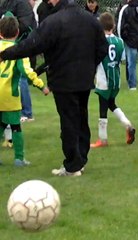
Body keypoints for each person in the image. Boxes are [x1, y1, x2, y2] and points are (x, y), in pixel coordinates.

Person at [0, 0, 108, 176]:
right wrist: (89, 65)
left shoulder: (54, 21)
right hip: (84, 78)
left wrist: (5, 54)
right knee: (81, 118)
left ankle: (72, 165)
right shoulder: (90, 19)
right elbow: (102, 47)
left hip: (63, 79)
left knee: (69, 121)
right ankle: (80, 160)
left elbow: (32, 44)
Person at [0, 16, 49, 166]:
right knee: (15, 127)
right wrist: (42, 85)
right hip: (10, 95)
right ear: (17, 32)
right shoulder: (19, 51)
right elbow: (27, 71)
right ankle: (19, 159)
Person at [90, 12, 136, 148]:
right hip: (115, 78)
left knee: (103, 109)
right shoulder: (120, 41)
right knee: (111, 104)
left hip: (103, 79)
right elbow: (122, 60)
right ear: (114, 25)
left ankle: (102, 139)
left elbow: (95, 59)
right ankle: (127, 124)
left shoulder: (98, 41)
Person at [0, 0, 37, 123]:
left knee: (21, 76)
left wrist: (10, 29)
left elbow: (27, 25)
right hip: (6, 44)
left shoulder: (22, 4)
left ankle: (27, 112)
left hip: (21, 45)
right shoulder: (5, 4)